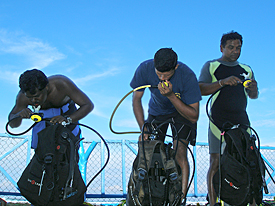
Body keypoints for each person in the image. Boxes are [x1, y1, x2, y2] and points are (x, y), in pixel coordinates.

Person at [130, 48, 201, 204]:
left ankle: (180, 198)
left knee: (179, 152)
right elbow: (136, 100)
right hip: (157, 112)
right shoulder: (144, 68)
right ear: (154, 64)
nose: (162, 78)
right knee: (149, 150)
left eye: (166, 75)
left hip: (181, 112)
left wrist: (170, 95)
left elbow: (194, 116)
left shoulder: (187, 76)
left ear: (175, 67)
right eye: (158, 74)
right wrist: (144, 127)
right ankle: (147, 195)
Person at [198, 31, 259, 206]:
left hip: (242, 122)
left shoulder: (246, 69)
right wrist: (222, 82)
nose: (235, 51)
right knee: (216, 162)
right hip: (218, 122)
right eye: (231, 47)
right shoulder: (211, 66)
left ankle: (251, 201)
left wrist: (253, 88)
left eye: (238, 47)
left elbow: (253, 96)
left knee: (249, 162)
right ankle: (212, 202)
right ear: (222, 48)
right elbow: (200, 89)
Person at [8, 69, 94, 149]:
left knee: (69, 153)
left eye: (37, 96)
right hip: (42, 119)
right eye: (29, 97)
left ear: (46, 87)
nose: (33, 101)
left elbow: (88, 105)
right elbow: (12, 125)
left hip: (67, 116)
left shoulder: (62, 84)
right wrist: (18, 116)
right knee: (41, 154)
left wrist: (68, 119)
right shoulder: (22, 96)